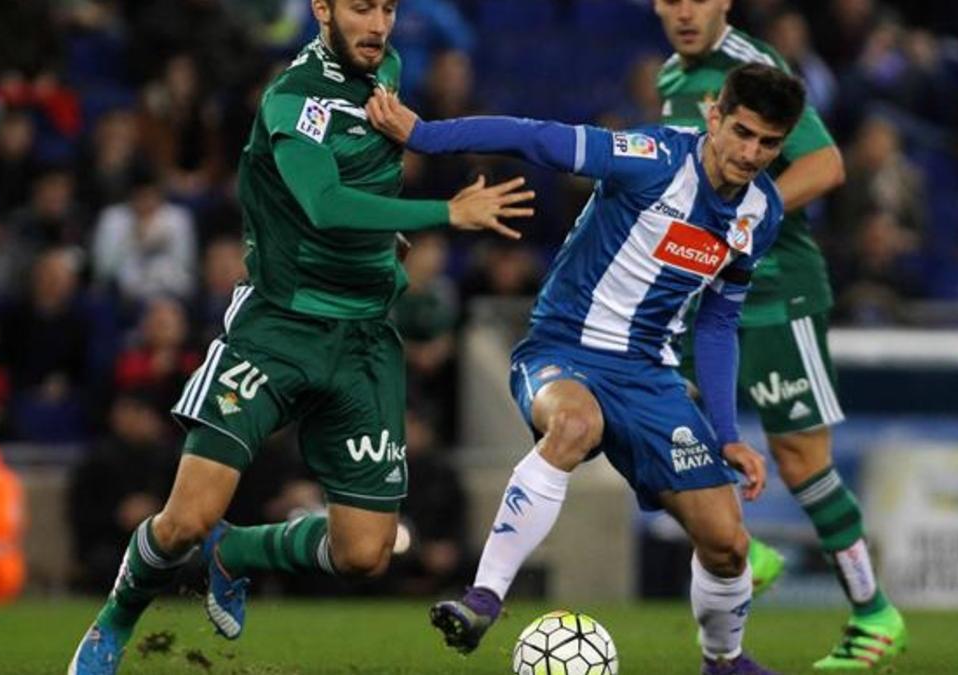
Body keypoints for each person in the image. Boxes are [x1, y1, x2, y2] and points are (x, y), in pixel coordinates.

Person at [67, 1, 534, 673]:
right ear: (322, 8)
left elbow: (367, 173)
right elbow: (323, 203)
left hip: (364, 339)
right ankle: (114, 621)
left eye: (389, 8)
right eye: (361, 8)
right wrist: (445, 211)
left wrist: (386, 237)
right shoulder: (293, 98)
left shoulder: (389, 70)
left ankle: (237, 552)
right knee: (184, 520)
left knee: (366, 551)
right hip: (277, 329)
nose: (378, 25)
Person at [368, 62, 803, 675]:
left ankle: (724, 662)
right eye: (743, 132)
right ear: (714, 116)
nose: (752, 153)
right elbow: (536, 137)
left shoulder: (762, 212)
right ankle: (483, 598)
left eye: (770, 143)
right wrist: (424, 135)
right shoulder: (650, 157)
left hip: (650, 378)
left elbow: (717, 321)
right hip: (562, 350)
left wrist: (728, 433)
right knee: (572, 427)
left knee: (729, 547)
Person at [653, 0, 907, 670]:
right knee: (646, 429)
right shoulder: (670, 79)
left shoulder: (754, 65)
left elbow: (825, 166)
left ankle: (874, 612)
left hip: (775, 292)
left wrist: (744, 220)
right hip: (700, 296)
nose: (685, 12)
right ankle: (746, 547)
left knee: (801, 461)